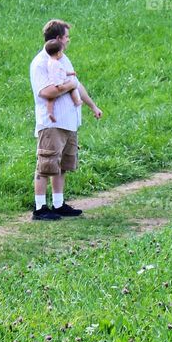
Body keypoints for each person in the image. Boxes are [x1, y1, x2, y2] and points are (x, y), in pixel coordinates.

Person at [30, 19, 103, 221]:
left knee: (62, 165)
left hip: (69, 121)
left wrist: (92, 106)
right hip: (51, 123)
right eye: (66, 37)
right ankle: (40, 207)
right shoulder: (40, 63)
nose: (68, 40)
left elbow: (77, 85)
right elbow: (45, 92)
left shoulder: (63, 59)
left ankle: (59, 203)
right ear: (58, 39)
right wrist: (67, 86)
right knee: (46, 165)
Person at [43, 38, 82, 124]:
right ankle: (77, 101)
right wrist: (60, 84)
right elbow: (60, 72)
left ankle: (50, 112)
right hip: (60, 81)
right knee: (72, 87)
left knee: (51, 99)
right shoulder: (57, 63)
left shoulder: (49, 62)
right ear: (58, 53)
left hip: (51, 82)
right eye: (62, 52)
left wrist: (70, 73)